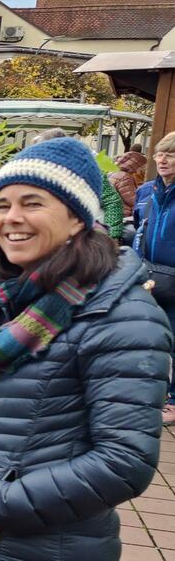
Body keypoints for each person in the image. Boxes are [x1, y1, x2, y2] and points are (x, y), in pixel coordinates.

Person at [0, 137, 170, 561]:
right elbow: (21, 348)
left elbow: (124, 462)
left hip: (35, 543)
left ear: (77, 218)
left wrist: (0, 502)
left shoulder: (122, 316)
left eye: (33, 203)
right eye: (3, 204)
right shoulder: (16, 292)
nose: (12, 218)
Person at [134, 131, 175, 424]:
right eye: (160, 154)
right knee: (149, 338)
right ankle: (150, 394)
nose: (162, 160)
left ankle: (174, 400)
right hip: (150, 276)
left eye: (171, 155)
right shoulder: (146, 191)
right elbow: (140, 228)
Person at [33, 128, 124, 240]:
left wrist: (112, 236)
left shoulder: (87, 170)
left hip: (88, 236)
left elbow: (112, 201)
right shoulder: (40, 173)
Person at [111, 149, 147, 217]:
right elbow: (132, 199)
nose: (143, 169)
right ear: (135, 166)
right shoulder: (124, 176)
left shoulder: (113, 173)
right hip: (122, 213)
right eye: (142, 166)